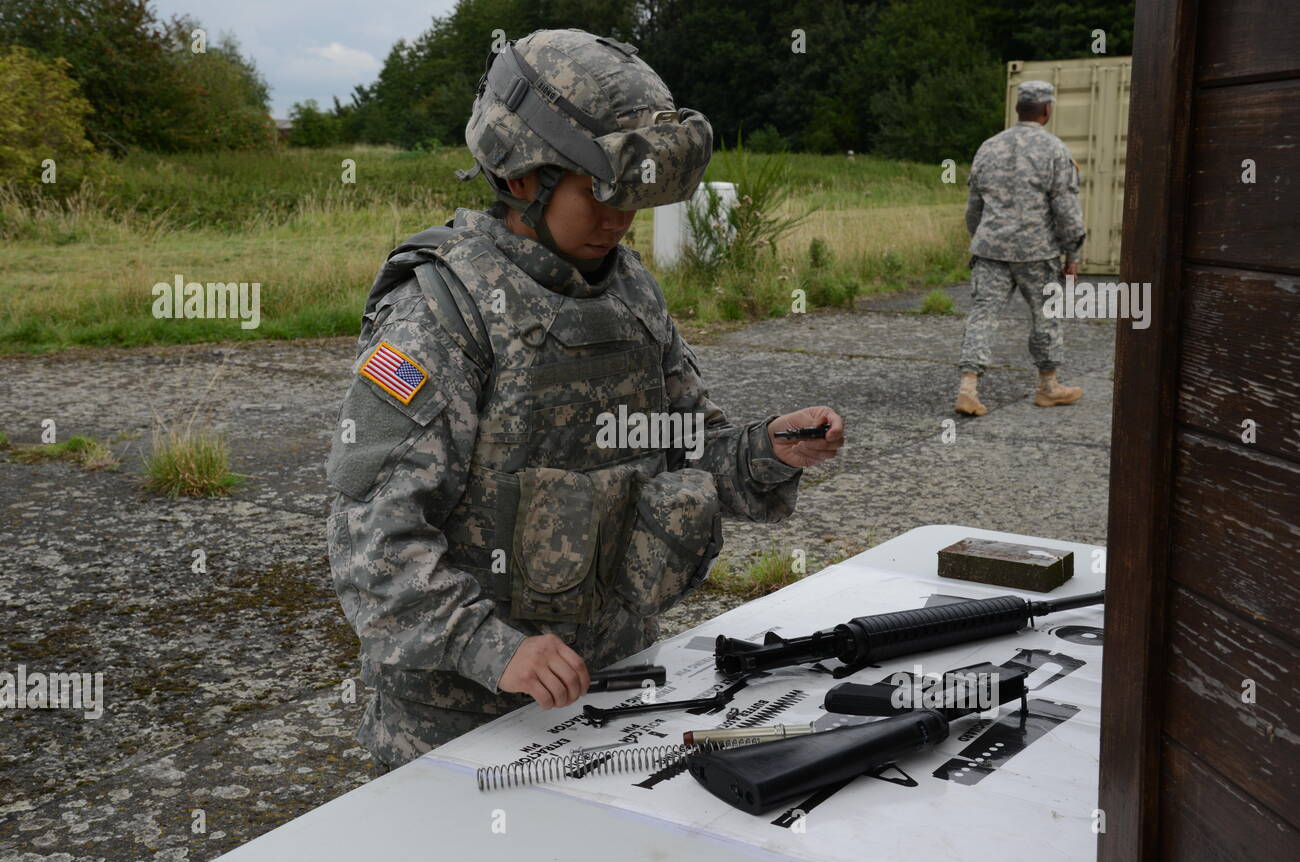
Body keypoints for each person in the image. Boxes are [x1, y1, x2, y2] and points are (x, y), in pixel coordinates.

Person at [324, 28, 845, 773]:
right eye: (600, 191)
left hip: (612, 696)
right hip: (458, 730)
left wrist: (767, 449)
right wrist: (493, 647)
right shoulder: (442, 313)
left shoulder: (628, 291)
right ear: (522, 173)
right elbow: (370, 543)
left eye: (635, 197)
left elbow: (684, 443)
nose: (619, 218)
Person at [956, 79, 1087, 416]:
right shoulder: (1055, 150)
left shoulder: (988, 147)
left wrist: (982, 238)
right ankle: (1048, 386)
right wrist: (1072, 254)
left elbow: (973, 207)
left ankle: (968, 387)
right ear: (1047, 109)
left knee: (983, 314)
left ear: (1018, 108)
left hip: (990, 249)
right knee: (1046, 316)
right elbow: (1066, 210)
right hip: (1036, 252)